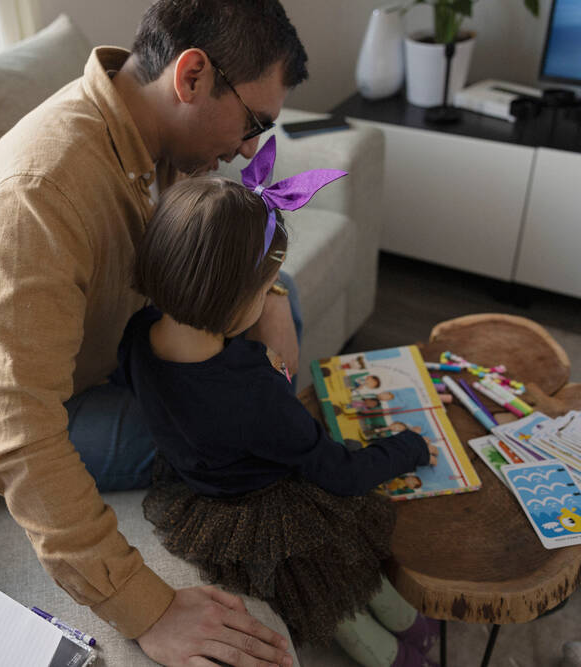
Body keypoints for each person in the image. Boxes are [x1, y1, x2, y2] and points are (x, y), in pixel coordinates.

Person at [0, 1, 311, 664]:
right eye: (253, 122)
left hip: (102, 345)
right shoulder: (48, 185)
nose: (249, 149)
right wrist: (146, 606)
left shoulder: (157, 139)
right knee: (239, 430)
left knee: (285, 318)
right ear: (193, 77)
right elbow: (15, 432)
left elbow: (211, 255)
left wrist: (270, 299)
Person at [117, 141, 441, 666]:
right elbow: (342, 474)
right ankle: (412, 646)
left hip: (201, 496)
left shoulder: (137, 335)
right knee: (339, 590)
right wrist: (407, 448)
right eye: (268, 289)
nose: (273, 295)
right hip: (271, 510)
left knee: (339, 589)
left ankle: (409, 638)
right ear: (234, 302)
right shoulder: (255, 390)